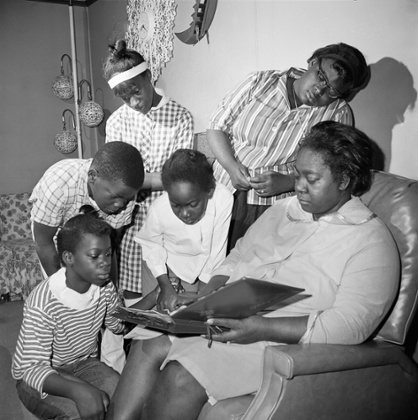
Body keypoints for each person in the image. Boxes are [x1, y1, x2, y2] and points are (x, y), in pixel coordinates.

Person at [104, 121, 400, 420]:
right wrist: (207, 295)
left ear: (345, 179)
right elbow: (237, 256)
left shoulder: (370, 241)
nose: (298, 186)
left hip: (275, 339)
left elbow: (349, 326)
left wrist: (261, 327)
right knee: (147, 344)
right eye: (298, 175)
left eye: (311, 178)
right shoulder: (282, 212)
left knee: (180, 377)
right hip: (228, 314)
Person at [207, 42, 369, 249]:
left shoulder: (337, 114)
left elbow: (331, 173)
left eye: (332, 91)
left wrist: (288, 182)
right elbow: (216, 126)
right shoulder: (260, 82)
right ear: (312, 62)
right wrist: (230, 165)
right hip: (219, 188)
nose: (320, 90)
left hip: (269, 208)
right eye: (321, 76)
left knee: (245, 267)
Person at [30, 140, 144, 373]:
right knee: (68, 313)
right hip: (56, 241)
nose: (120, 204)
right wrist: (69, 291)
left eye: (126, 198)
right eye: (114, 196)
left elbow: (109, 248)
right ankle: (64, 371)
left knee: (107, 308)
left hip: (94, 244)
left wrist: (107, 290)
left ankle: (116, 372)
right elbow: (43, 242)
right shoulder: (59, 183)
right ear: (93, 177)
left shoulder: (123, 199)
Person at [103, 40, 194, 307]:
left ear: (148, 76)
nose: (133, 102)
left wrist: (136, 180)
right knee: (131, 297)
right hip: (128, 219)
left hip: (169, 217)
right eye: (124, 98)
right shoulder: (117, 122)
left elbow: (180, 178)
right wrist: (156, 178)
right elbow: (115, 180)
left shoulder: (180, 117)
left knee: (166, 294)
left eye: (136, 92)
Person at [12, 212, 125, 419]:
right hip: (40, 373)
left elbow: (117, 325)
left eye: (108, 254)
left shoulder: (105, 287)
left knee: (123, 397)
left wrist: (152, 302)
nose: (105, 263)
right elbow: (31, 369)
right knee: (78, 411)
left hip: (83, 364)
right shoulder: (43, 302)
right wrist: (80, 390)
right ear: (68, 258)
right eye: (94, 256)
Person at [135, 149, 233, 312]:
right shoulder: (159, 209)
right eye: (176, 205)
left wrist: (202, 296)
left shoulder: (223, 199)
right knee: (157, 323)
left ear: (209, 191)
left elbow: (217, 251)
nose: (185, 214)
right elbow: (151, 245)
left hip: (202, 267)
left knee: (194, 317)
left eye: (192, 205)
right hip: (162, 265)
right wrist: (165, 285)